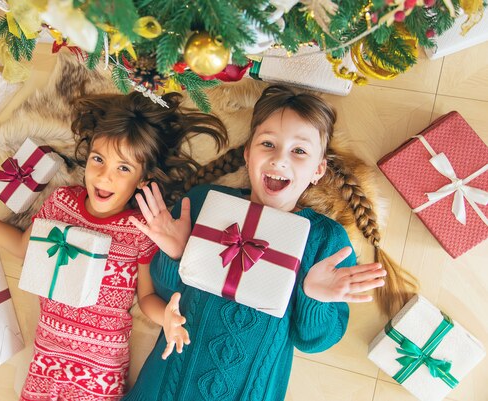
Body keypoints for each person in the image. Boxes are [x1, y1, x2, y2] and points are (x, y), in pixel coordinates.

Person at [0, 91, 228, 401]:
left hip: (100, 375)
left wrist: (166, 317)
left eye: (123, 168)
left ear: (142, 180)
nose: (103, 175)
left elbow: (147, 297)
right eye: (98, 159)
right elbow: (23, 246)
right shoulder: (61, 203)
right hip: (46, 366)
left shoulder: (139, 231)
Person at [124, 85, 412, 401]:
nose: (279, 158)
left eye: (299, 150)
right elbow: (166, 295)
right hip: (166, 388)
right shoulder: (204, 202)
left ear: (318, 170)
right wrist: (177, 253)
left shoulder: (325, 240)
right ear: (248, 152)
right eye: (268, 144)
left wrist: (312, 296)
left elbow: (314, 341)